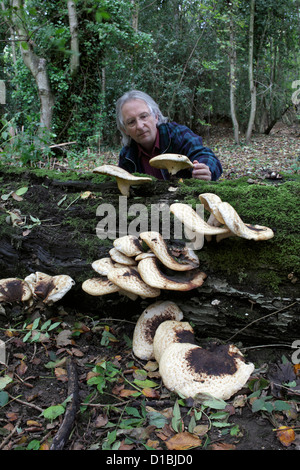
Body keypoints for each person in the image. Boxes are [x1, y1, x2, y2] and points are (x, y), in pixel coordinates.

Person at [116, 90, 222, 181]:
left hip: (187, 202)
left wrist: (205, 169)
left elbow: (205, 155)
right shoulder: (127, 156)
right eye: (131, 122)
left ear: (156, 116)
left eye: (144, 116)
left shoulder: (177, 134)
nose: (139, 126)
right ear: (124, 130)